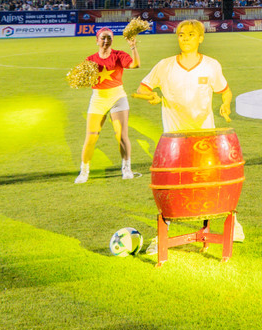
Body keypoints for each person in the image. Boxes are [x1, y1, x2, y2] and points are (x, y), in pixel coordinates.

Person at [133, 20, 243, 242]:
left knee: (214, 181)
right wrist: (151, 97)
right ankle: (162, 236)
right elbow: (141, 90)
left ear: (201, 38)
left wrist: (226, 104)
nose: (185, 39)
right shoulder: (164, 66)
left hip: (205, 138)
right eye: (181, 35)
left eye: (191, 35)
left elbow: (226, 90)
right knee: (174, 186)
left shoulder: (211, 65)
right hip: (176, 141)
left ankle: (233, 224)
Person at [75, 27, 141, 183]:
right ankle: (84, 171)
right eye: (103, 38)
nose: (106, 41)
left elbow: (135, 65)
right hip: (98, 99)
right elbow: (85, 80)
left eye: (109, 38)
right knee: (91, 136)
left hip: (117, 97)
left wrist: (133, 47)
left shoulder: (119, 55)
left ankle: (126, 168)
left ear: (112, 40)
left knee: (121, 135)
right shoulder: (90, 59)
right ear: (97, 40)